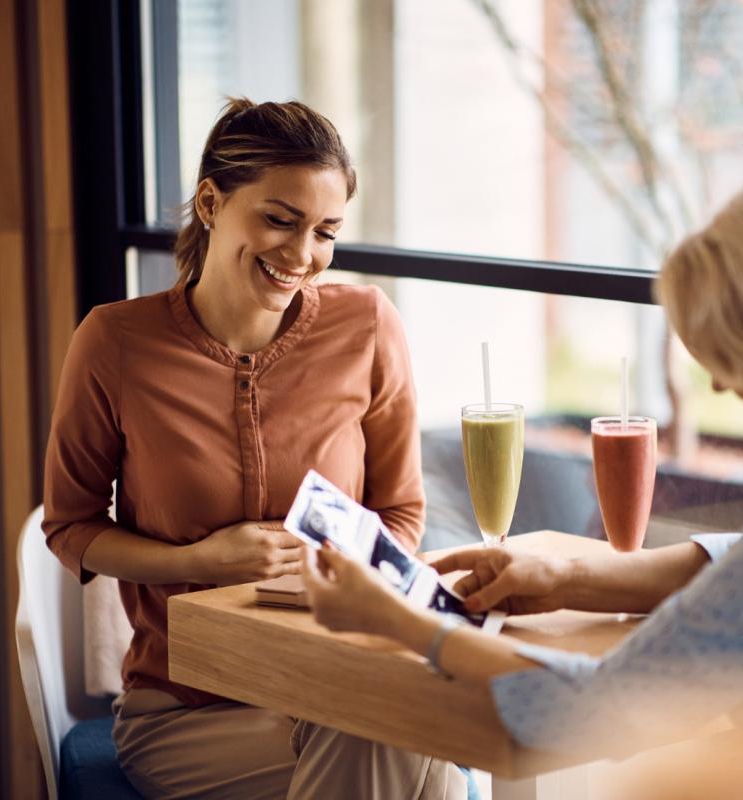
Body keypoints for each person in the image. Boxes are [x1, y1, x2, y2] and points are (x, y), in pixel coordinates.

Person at [303, 179, 743, 790]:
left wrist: (399, 621)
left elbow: (594, 707)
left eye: (728, 354)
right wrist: (571, 575)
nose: (719, 382)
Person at [43, 98, 465, 799]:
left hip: (333, 673)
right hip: (184, 713)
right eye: (279, 219)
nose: (303, 256)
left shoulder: (366, 328)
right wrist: (197, 562)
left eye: (326, 232)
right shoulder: (114, 342)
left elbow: (400, 516)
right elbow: (71, 530)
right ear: (211, 202)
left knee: (380, 722)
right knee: (409, 745)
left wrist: (338, 570)